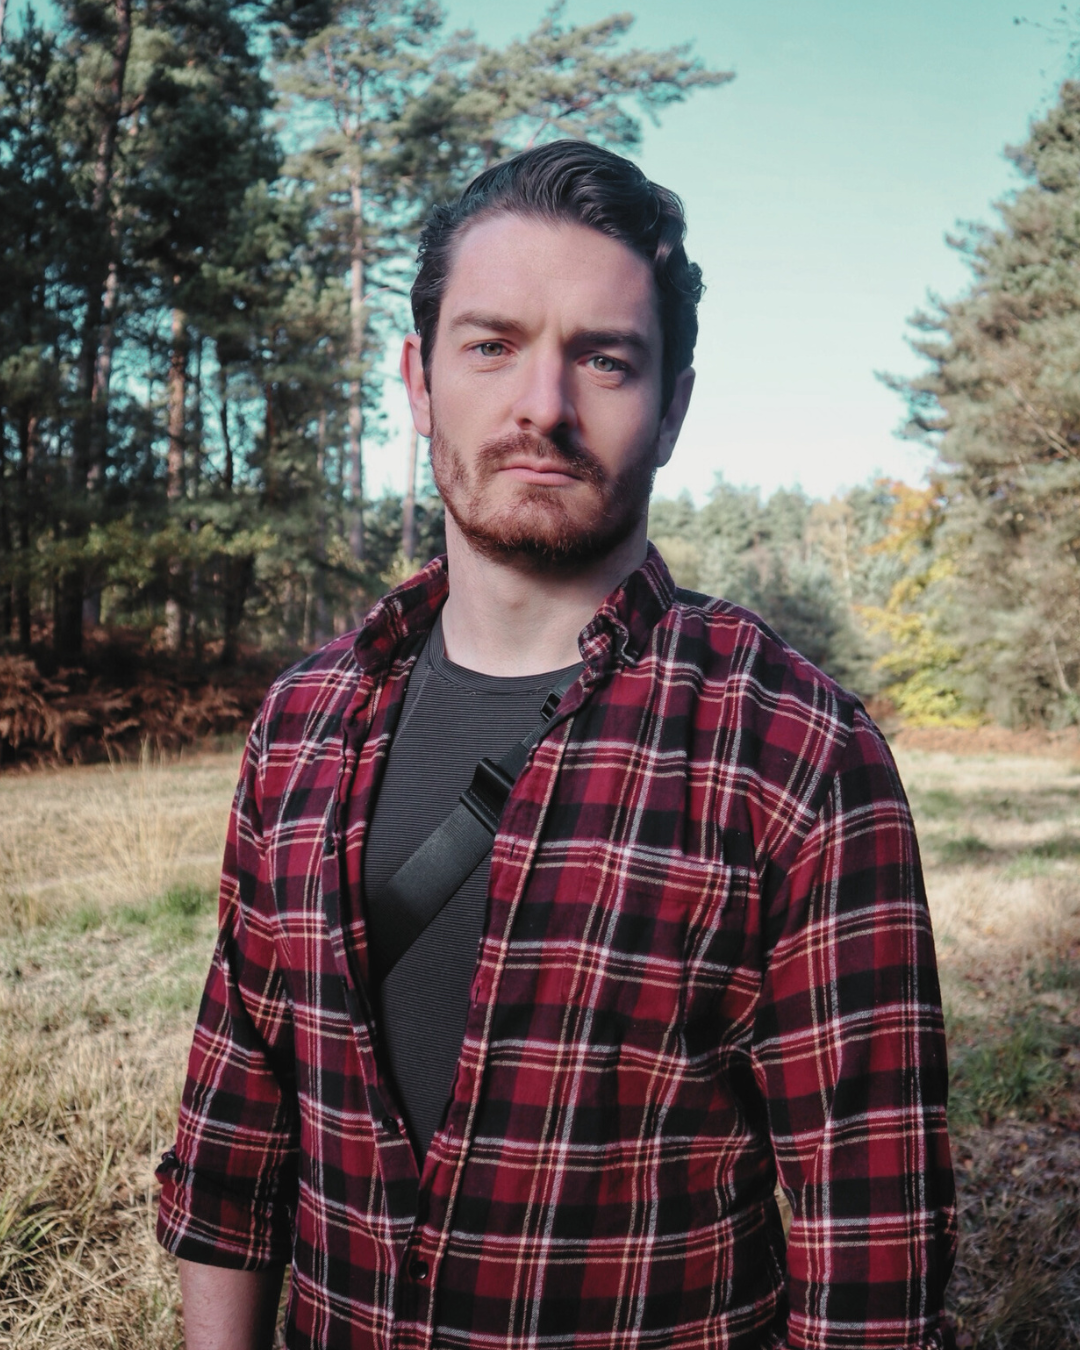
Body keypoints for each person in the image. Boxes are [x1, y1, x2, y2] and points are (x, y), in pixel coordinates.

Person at [157, 140, 957, 1350]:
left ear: (673, 407)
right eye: (493, 346)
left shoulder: (799, 754)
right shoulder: (301, 722)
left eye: (605, 358)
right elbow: (237, 1130)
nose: (543, 405)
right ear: (420, 380)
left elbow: (873, 1256)